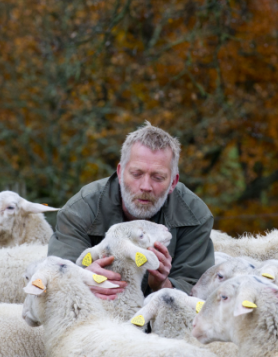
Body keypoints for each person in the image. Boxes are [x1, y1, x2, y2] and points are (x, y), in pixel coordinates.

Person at [47, 121, 215, 299]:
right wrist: (83, 278)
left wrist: (162, 285)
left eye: (158, 177)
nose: (145, 186)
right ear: (120, 172)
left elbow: (198, 292)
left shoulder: (194, 216)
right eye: (136, 174)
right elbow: (55, 272)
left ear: (173, 182)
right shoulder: (80, 210)